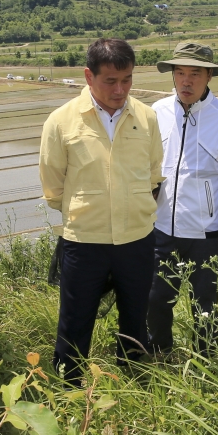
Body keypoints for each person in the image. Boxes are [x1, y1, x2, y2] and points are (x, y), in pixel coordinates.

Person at [39, 38, 163, 383]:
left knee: (136, 317)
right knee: (75, 320)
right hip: (84, 240)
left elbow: (154, 174)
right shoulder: (62, 121)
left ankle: (136, 379)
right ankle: (70, 387)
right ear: (88, 76)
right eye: (110, 81)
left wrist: (133, 208)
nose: (120, 90)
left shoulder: (147, 118)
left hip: (137, 238)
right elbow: (54, 187)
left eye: (127, 80)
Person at [147, 42, 218, 357]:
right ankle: (160, 353)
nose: (186, 81)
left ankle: (206, 362)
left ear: (208, 77)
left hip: (207, 232)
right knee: (155, 298)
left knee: (204, 304)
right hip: (161, 226)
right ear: (173, 75)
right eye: (180, 73)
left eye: (195, 74)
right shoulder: (157, 112)